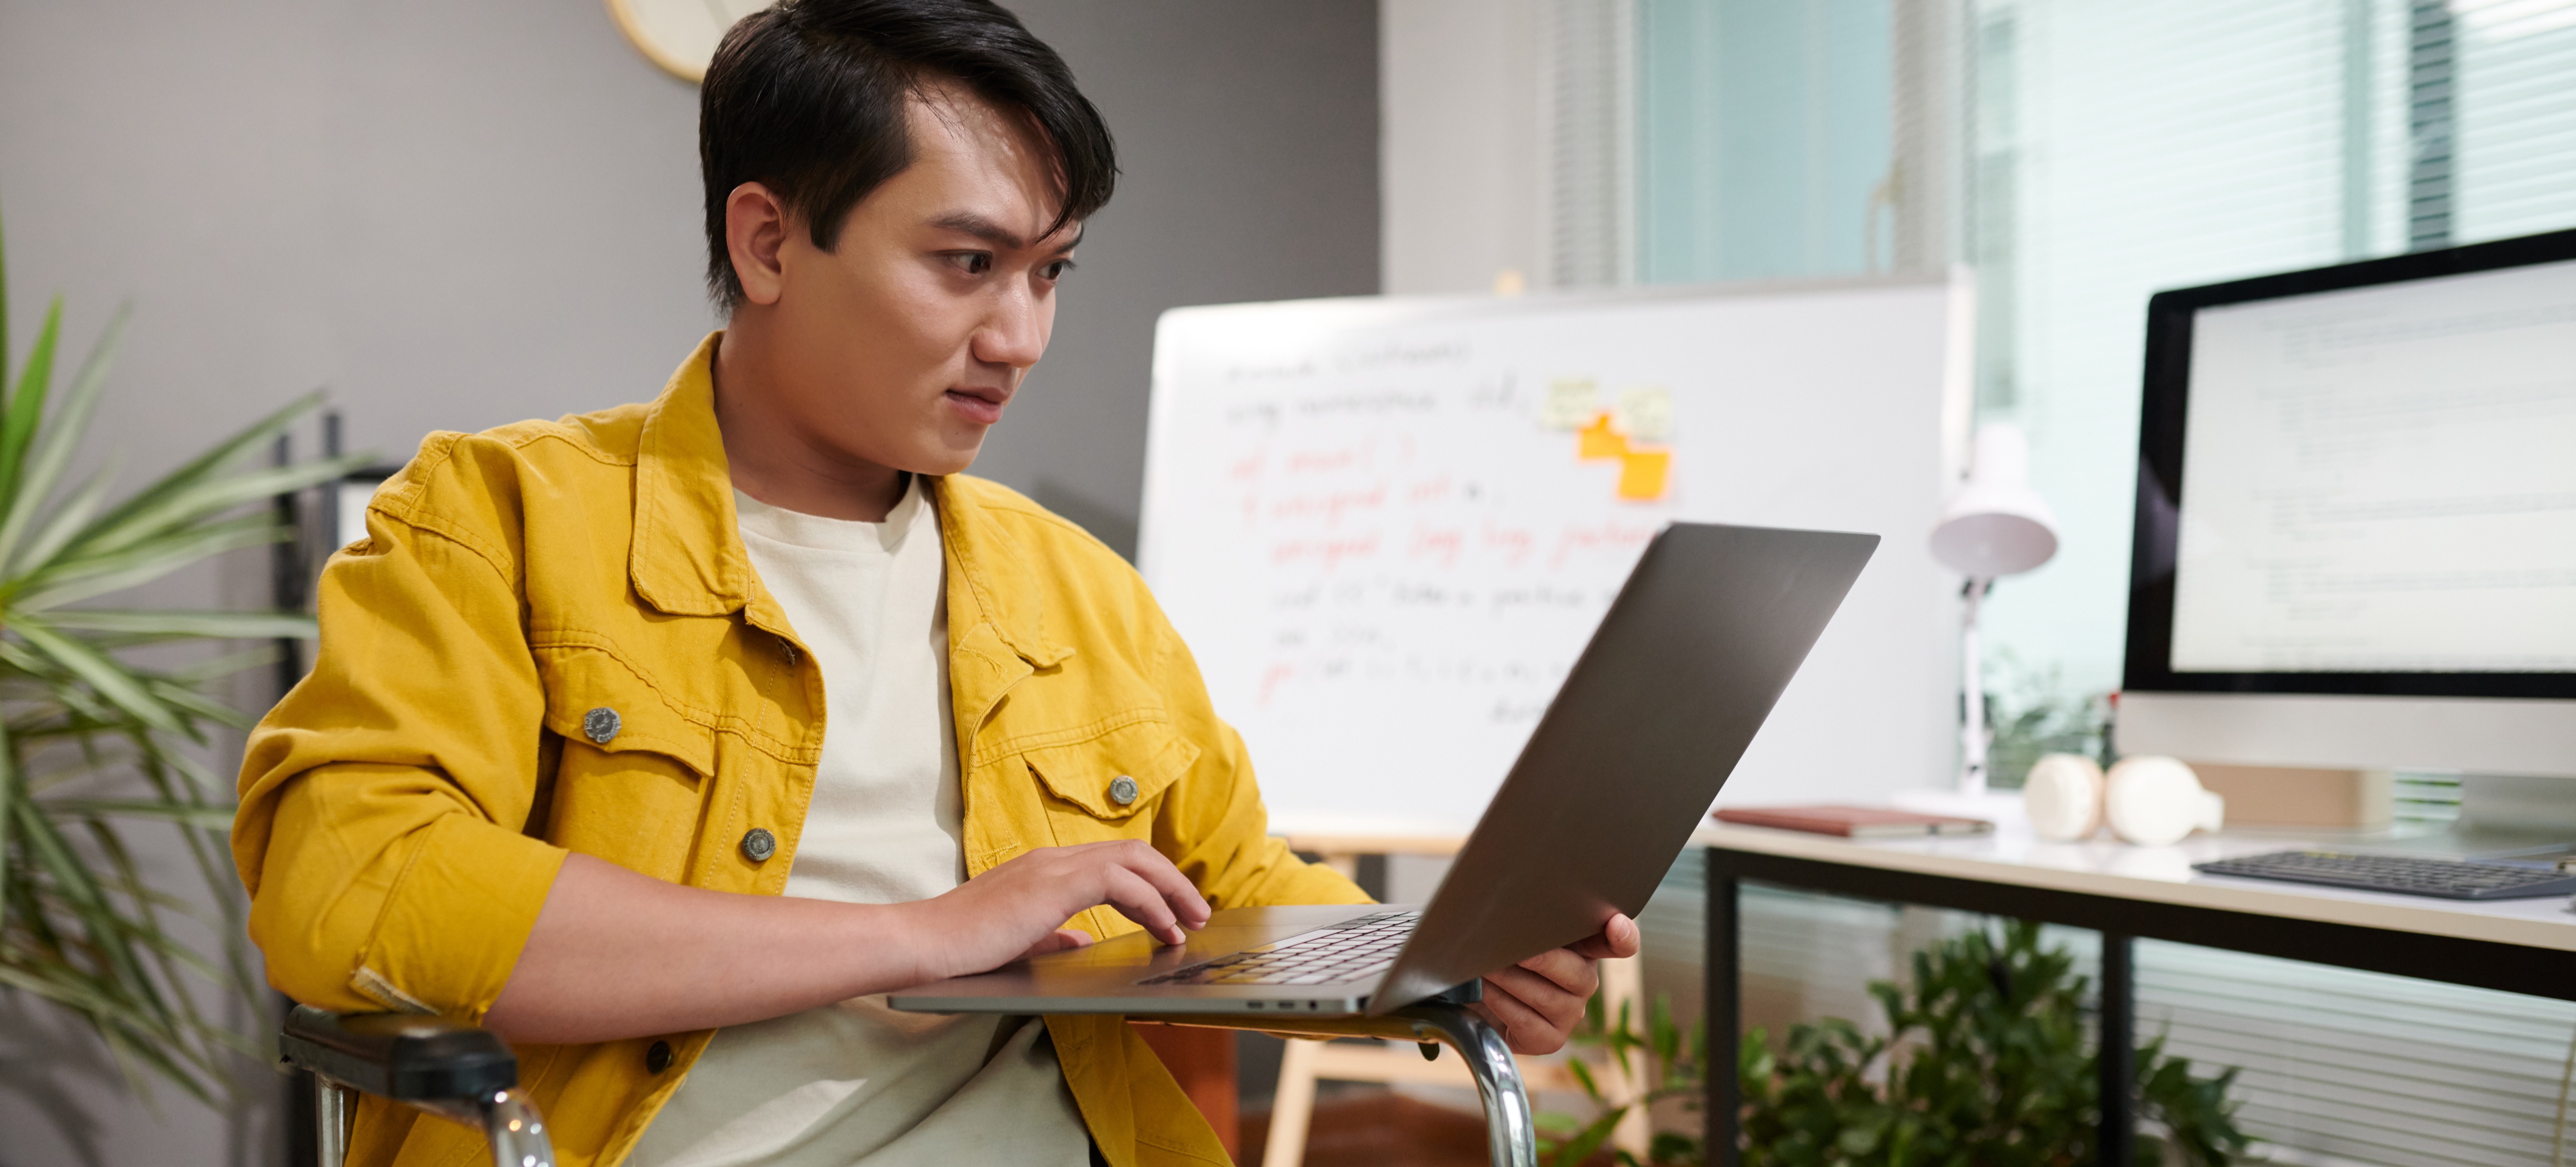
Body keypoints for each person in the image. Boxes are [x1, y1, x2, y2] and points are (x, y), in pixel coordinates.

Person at [232, 2, 1640, 1164]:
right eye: (968, 264)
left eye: (1049, 273)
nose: (1018, 335)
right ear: (769, 240)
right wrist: (918, 935)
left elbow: (1233, 886)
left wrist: (1443, 962)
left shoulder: (1078, 592)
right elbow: (356, 882)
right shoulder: (499, 518)